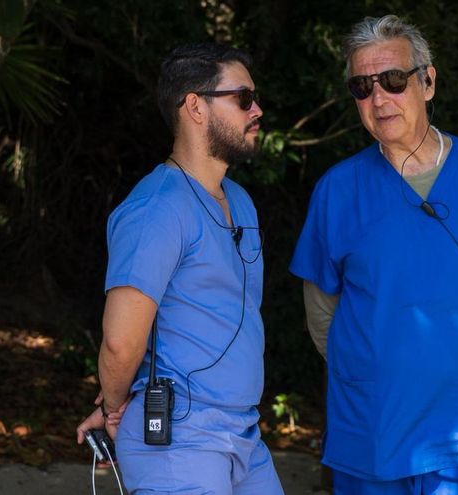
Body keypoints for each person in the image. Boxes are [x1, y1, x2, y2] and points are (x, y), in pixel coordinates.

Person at [289, 15, 458, 495]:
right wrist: (370, 376)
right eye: (362, 86)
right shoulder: (338, 190)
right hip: (374, 434)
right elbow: (321, 310)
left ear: (428, 81)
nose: (379, 98)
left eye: (394, 80)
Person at [75, 42, 283, 495]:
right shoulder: (156, 208)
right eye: (243, 98)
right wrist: (115, 409)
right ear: (195, 106)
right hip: (179, 440)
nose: (258, 109)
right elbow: (119, 341)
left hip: (244, 434)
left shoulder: (242, 202)